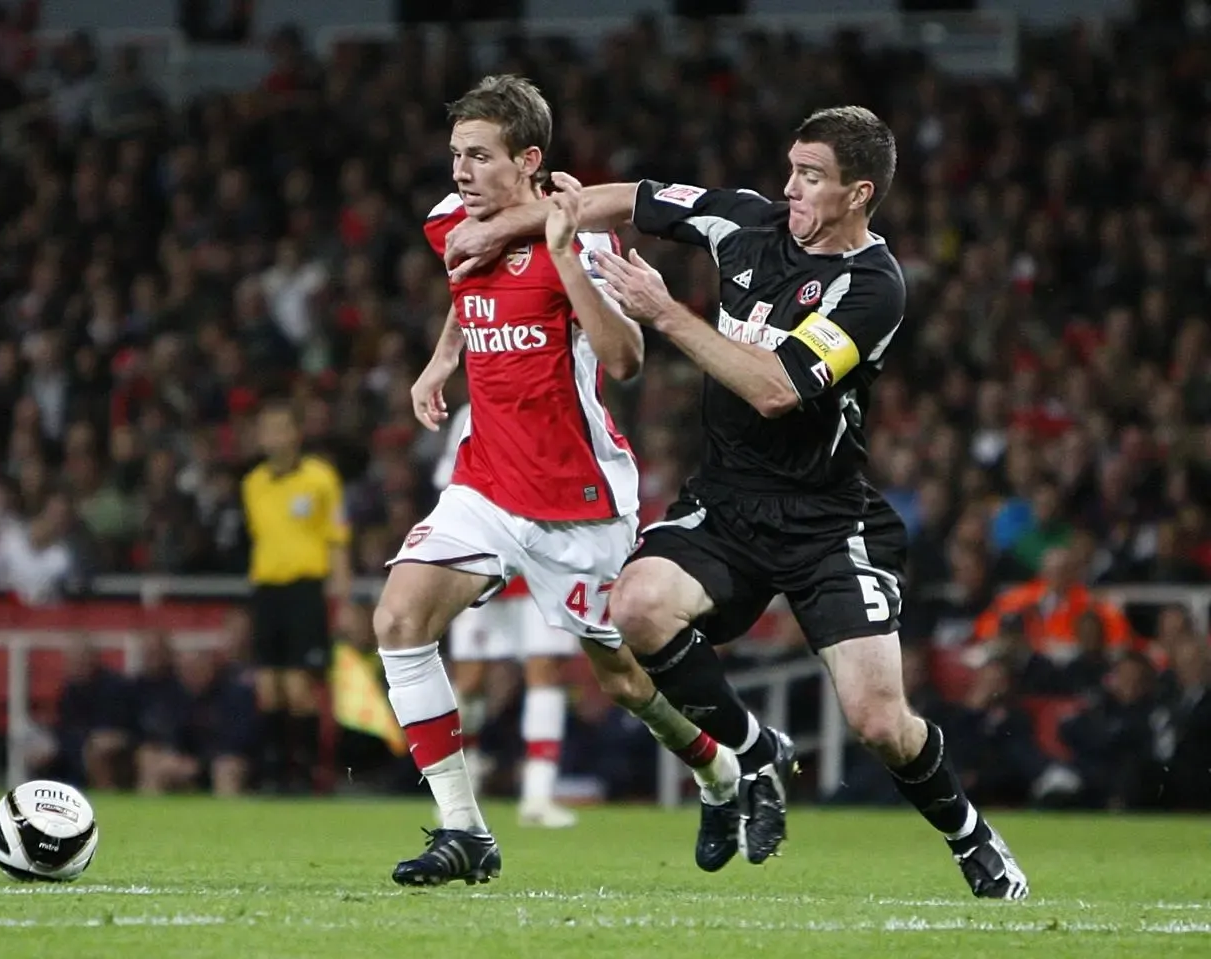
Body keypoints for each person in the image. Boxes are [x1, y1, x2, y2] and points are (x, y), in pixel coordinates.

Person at [445, 105, 1029, 899]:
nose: (789, 187)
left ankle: (971, 836)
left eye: (811, 177)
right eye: (791, 168)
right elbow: (630, 198)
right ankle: (756, 750)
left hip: (827, 520)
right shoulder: (744, 222)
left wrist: (662, 311)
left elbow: (776, 389)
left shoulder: (872, 287)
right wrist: (504, 225)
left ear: (860, 194)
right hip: (726, 503)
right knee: (639, 605)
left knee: (879, 722)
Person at [375, 74, 740, 888]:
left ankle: (720, 770)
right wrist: (440, 360)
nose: (461, 172)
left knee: (621, 678)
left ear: (530, 160)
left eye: (479, 156)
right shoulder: (450, 222)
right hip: (485, 482)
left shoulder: (586, 240)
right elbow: (464, 289)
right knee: (399, 617)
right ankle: (463, 827)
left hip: (577, 499)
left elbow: (626, 360)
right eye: (455, 155)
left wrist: (568, 254)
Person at [435, 403, 580, 829]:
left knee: (545, 671)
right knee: (472, 680)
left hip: (544, 564)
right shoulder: (473, 411)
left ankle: (537, 795)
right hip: (485, 558)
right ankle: (461, 788)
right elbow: (450, 483)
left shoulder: (562, 404)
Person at [242, 399, 358, 793]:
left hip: (305, 590)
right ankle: (274, 774)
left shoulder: (320, 478)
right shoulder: (252, 483)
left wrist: (341, 601)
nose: (272, 435)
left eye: (279, 427)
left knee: (298, 686)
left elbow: (338, 541)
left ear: (296, 433)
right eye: (265, 428)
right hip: (266, 590)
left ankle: (308, 775)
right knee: (267, 686)